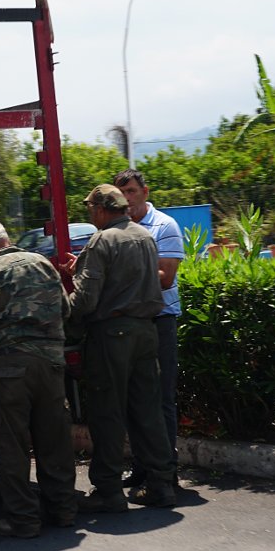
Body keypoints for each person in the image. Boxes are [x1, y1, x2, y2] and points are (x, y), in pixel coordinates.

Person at [0, 216, 77, 538]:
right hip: (51, 366)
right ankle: (63, 510)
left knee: (12, 445)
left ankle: (23, 519)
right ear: (6, 238)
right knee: (54, 441)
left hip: (8, 369)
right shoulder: (43, 264)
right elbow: (64, 310)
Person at [62, 185, 176, 510]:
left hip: (112, 335)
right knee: (147, 411)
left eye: (90, 209)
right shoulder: (143, 236)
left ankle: (109, 491)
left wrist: (63, 312)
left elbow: (86, 299)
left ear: (100, 209)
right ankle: (161, 485)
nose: (90, 215)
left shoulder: (101, 240)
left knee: (107, 413)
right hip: (146, 332)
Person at [113, 168, 184, 488]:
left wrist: (124, 277)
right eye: (120, 193)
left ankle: (167, 469)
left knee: (161, 399)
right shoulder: (118, 229)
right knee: (134, 399)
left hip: (160, 320)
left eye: (130, 191)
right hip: (130, 323)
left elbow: (166, 278)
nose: (126, 198)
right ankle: (143, 466)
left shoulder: (165, 226)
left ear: (145, 191)